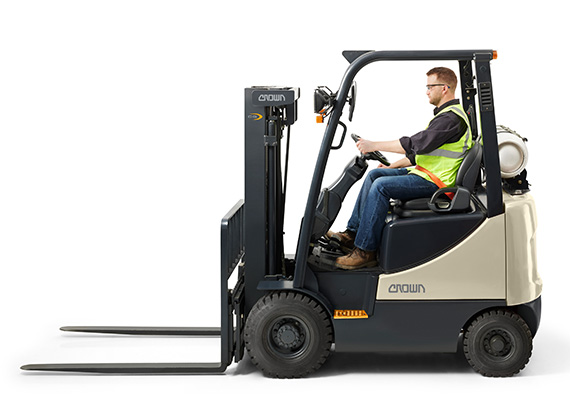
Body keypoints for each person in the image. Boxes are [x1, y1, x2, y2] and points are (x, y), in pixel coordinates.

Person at [330, 67, 473, 270]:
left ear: (444, 88)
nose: (426, 91)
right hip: (425, 173)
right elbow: (419, 154)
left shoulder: (450, 119)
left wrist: (375, 145)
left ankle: (365, 251)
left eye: (430, 87)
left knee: (380, 186)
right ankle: (353, 234)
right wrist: (390, 166)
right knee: (375, 175)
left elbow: (415, 144)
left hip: (437, 181)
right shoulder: (445, 116)